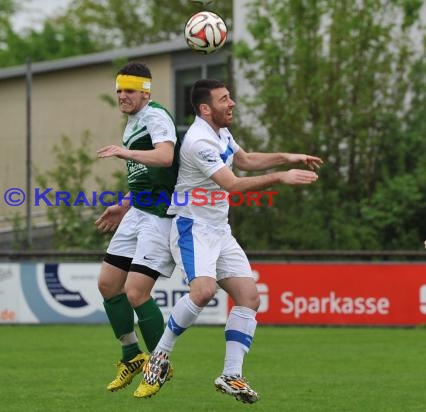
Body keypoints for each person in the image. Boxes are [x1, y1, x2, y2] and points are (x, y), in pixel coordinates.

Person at [134, 79, 323, 402]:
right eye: (224, 99)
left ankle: (231, 375)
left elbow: (245, 160)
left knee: (249, 297)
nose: (232, 103)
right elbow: (233, 185)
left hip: (219, 229)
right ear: (206, 108)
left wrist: (289, 157)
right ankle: (160, 356)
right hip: (193, 228)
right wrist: (281, 177)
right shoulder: (197, 141)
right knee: (203, 292)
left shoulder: (220, 132)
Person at [95, 62, 180, 393]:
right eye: (118, 90)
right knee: (107, 285)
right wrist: (124, 203)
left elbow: (165, 158)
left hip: (159, 215)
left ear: (145, 91)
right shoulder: (133, 122)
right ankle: (132, 355)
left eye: (129, 90)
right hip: (139, 210)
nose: (122, 96)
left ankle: (160, 363)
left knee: (135, 292)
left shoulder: (156, 117)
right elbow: (145, 175)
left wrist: (124, 152)